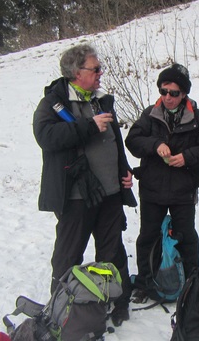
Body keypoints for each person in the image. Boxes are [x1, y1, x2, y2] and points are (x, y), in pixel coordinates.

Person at [32, 44, 137, 327]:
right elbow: (46, 137)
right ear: (77, 72)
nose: (101, 73)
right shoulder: (54, 103)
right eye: (96, 68)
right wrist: (88, 126)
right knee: (68, 256)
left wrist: (124, 173)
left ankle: (116, 300)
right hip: (76, 197)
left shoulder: (100, 100)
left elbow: (113, 143)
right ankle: (62, 308)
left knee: (112, 252)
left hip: (110, 193)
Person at [125, 63, 199, 303]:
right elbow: (133, 140)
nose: (167, 97)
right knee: (148, 237)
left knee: (186, 237)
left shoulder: (197, 118)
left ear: (184, 93)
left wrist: (187, 158)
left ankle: (191, 284)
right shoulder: (150, 114)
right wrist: (155, 145)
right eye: (163, 91)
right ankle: (146, 283)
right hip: (151, 189)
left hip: (183, 190)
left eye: (174, 93)